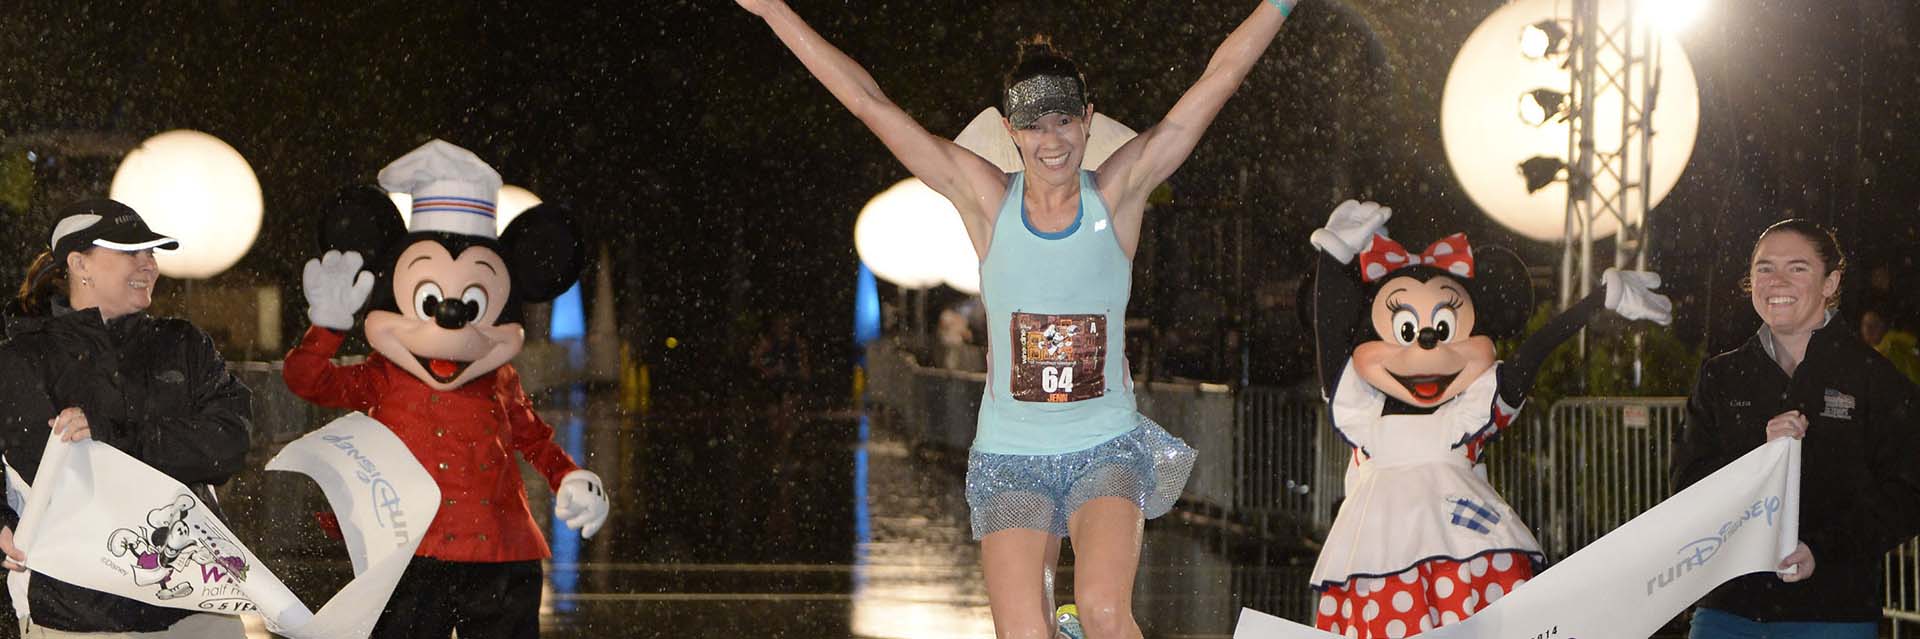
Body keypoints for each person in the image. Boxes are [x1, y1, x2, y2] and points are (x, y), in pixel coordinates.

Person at [736, 1, 1298, 637]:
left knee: (1103, 610)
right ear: (1010, 130)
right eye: (1034, 126)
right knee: (1025, 632)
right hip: (1012, 457)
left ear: (1088, 120)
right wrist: (774, 11)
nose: (1052, 141)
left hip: (1105, 448)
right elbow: (871, 103)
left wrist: (1280, 4)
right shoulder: (985, 199)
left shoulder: (1119, 191)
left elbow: (1220, 77)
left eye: (1064, 121)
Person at [0, 199, 252, 638]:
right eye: (130, 251)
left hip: (197, 605)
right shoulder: (21, 359)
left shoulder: (183, 343)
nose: (148, 264)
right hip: (76, 614)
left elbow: (229, 444)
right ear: (79, 263)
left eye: (150, 252)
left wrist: (112, 435)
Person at [1672, 219, 1920, 638]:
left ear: (1830, 282)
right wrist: (1761, 455)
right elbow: (1688, 485)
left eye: (1797, 267)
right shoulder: (1721, 376)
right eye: (1765, 268)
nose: (1777, 281)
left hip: (1833, 614)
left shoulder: (1872, 378)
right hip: (1727, 611)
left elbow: (1908, 493)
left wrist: (1823, 549)